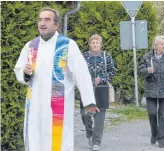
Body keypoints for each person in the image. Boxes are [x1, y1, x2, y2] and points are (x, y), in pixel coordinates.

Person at [14, 7, 99, 151]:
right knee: (36, 140)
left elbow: (82, 74)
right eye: (40, 20)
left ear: (56, 24)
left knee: (58, 143)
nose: (42, 23)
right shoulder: (30, 46)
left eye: (47, 20)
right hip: (35, 106)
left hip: (59, 107)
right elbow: (20, 69)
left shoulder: (67, 45)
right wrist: (26, 73)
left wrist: (88, 101)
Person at [81, 34, 116, 150]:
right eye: (93, 42)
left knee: (99, 118)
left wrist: (102, 79)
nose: (95, 44)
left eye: (97, 43)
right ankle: (89, 133)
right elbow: (78, 71)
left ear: (100, 45)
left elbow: (112, 71)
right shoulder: (84, 56)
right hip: (87, 90)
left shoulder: (106, 56)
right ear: (90, 44)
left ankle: (97, 142)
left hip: (102, 90)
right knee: (85, 115)